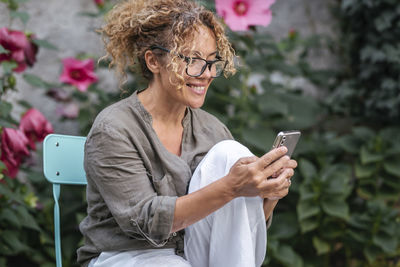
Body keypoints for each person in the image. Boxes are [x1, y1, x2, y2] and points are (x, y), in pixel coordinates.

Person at [77, 0, 297, 266]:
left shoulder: (212, 129)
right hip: (127, 255)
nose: (206, 74)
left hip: (193, 255)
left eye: (211, 61)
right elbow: (145, 222)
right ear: (153, 61)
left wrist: (267, 192)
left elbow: (239, 232)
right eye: (192, 60)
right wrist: (233, 187)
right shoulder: (114, 129)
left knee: (232, 153)